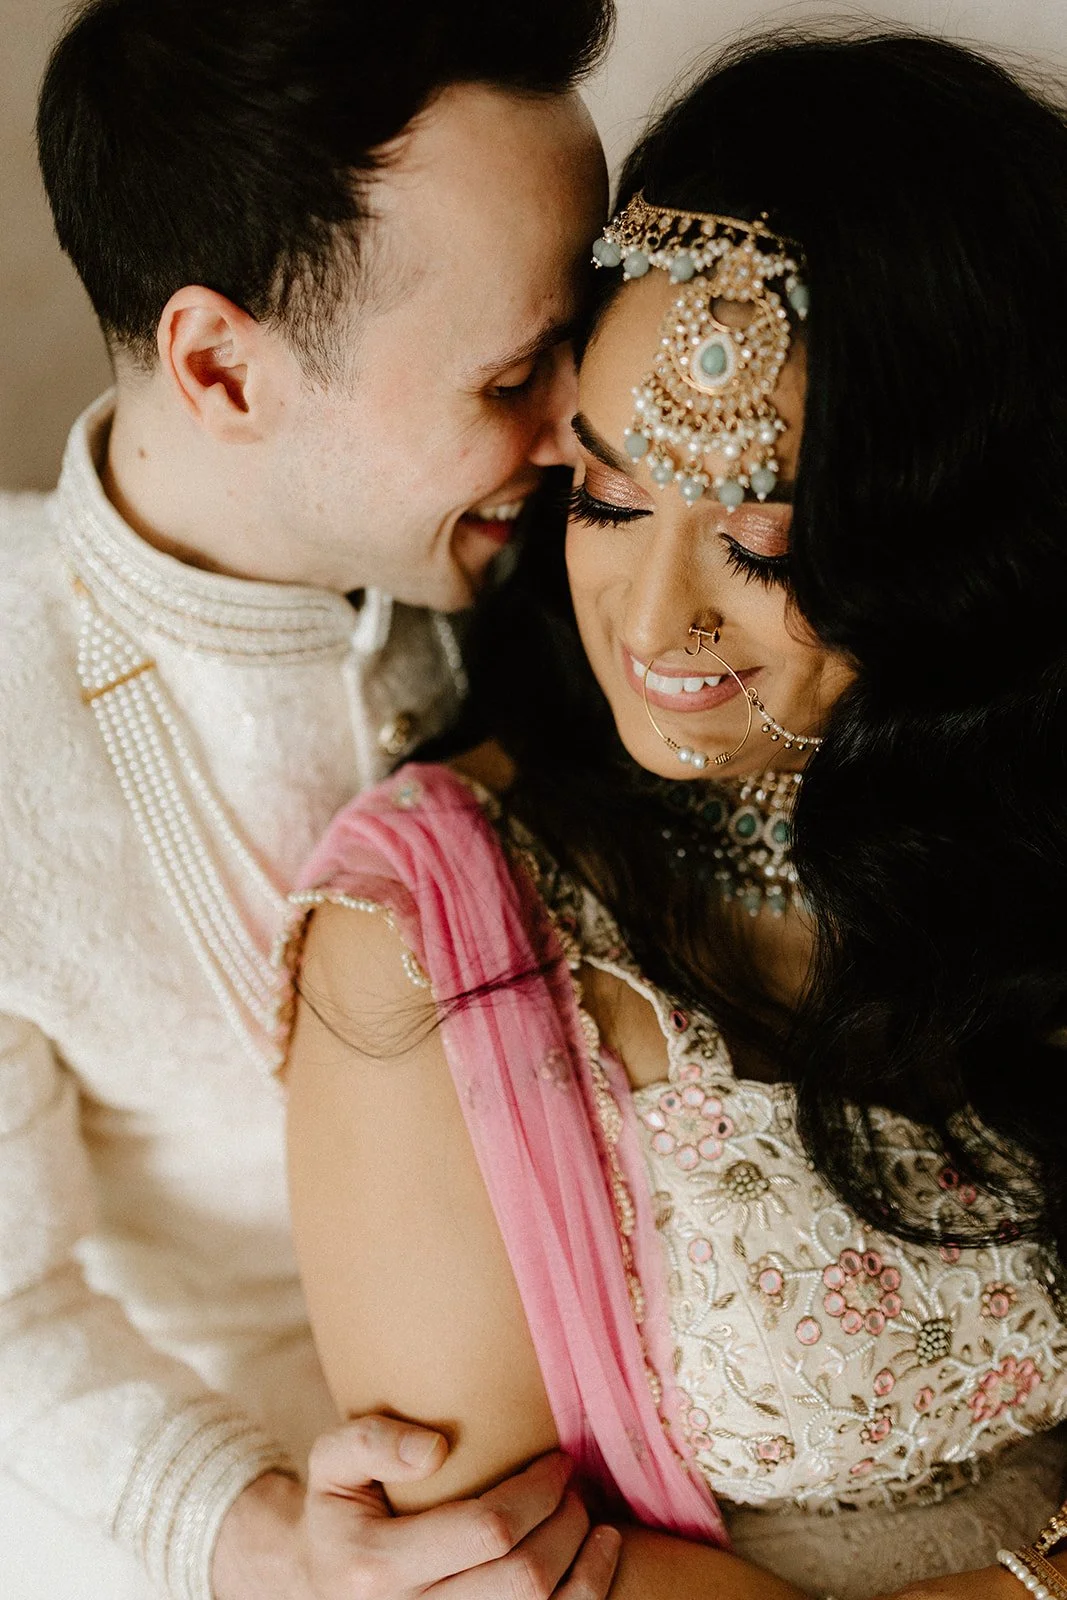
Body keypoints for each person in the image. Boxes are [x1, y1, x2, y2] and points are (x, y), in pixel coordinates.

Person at [284, 29, 1067, 1600]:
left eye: (762, 550)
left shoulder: (1016, 810)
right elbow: (508, 1579)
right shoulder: (429, 951)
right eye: (613, 497)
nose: (653, 619)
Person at [0, 1, 623, 1597]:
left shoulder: (589, 555)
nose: (580, 430)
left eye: (583, 336)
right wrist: (247, 1535)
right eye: (509, 373)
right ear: (223, 364)